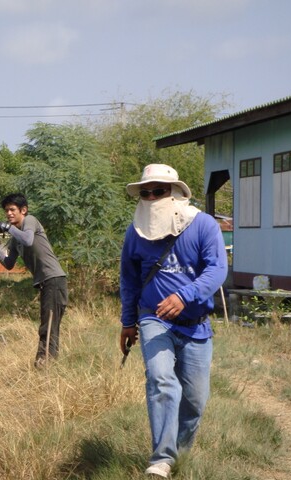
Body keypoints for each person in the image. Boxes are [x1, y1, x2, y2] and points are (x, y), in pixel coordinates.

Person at [119, 164, 227, 478]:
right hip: (154, 319)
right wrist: (128, 321)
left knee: (194, 401)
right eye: (145, 192)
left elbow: (217, 270)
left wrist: (184, 296)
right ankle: (162, 459)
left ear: (176, 192)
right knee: (161, 379)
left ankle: (179, 456)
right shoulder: (135, 231)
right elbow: (129, 279)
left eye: (159, 190)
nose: (151, 197)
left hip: (196, 324)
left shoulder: (203, 225)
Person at [0, 193, 68, 367]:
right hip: (46, 283)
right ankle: (46, 365)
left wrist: (8, 228)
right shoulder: (16, 237)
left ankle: (43, 365)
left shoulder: (30, 221)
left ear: (23, 210)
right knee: (47, 325)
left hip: (54, 280)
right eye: (6, 211)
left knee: (48, 327)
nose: (8, 214)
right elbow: (9, 263)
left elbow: (28, 239)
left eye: (12, 210)